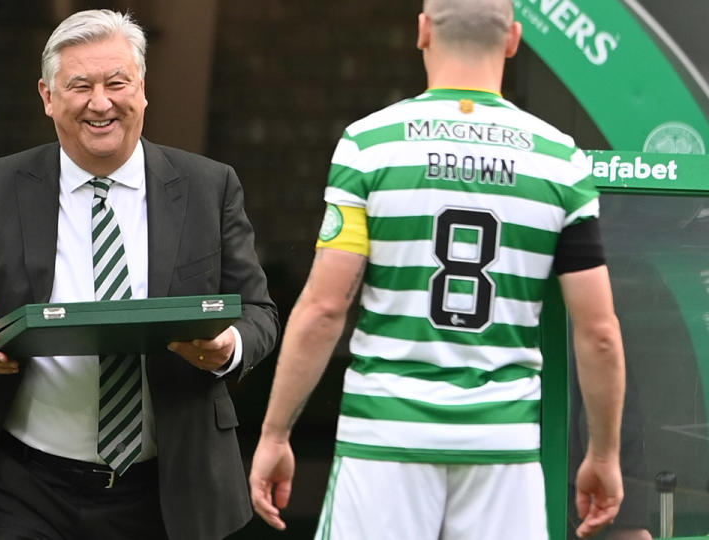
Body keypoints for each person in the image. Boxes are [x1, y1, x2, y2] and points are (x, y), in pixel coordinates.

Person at [248, 1, 626, 539]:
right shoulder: (560, 161)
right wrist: (604, 454)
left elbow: (326, 308)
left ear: (422, 32)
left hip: (384, 439)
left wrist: (274, 433)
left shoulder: (370, 147)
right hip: (503, 447)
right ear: (514, 40)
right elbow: (599, 332)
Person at [0, 9, 278, 540]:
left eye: (117, 83)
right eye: (79, 85)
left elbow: (260, 313)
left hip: (168, 486)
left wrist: (230, 346)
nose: (100, 103)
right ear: (47, 96)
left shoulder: (208, 186)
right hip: (26, 484)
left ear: (143, 89)